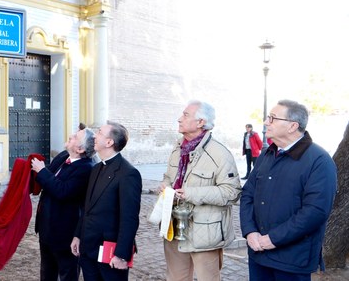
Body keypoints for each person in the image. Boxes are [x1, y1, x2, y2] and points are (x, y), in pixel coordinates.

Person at [240, 100, 337, 280]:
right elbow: (247, 194)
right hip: (258, 253)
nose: (266, 122)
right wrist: (250, 231)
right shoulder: (267, 154)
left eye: (273, 118)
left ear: (293, 126)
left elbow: (315, 211)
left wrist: (272, 239)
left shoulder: (319, 161)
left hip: (293, 260)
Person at [159, 100, 242, 281]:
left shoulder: (220, 153)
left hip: (205, 234)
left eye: (186, 115)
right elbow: (169, 176)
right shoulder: (177, 148)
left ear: (201, 122)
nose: (179, 119)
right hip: (174, 228)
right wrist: (165, 185)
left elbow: (232, 193)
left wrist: (192, 193)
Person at [71, 121, 142, 281]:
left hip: (110, 254)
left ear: (109, 142)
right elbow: (87, 207)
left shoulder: (128, 173)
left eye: (100, 133)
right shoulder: (96, 168)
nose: (95, 136)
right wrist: (77, 236)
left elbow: (129, 218)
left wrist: (121, 255)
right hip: (89, 248)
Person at [31, 123, 96, 281]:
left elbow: (63, 191)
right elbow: (48, 181)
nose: (71, 136)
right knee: (46, 273)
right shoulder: (62, 156)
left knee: (68, 274)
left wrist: (42, 171)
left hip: (65, 233)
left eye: (75, 137)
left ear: (80, 149)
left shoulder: (86, 168)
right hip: (47, 229)